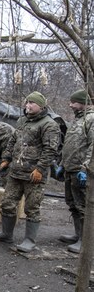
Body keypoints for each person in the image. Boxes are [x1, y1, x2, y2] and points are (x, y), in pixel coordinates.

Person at [0, 91, 60, 253]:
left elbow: (51, 149)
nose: (28, 106)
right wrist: (5, 158)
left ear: (41, 106)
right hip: (16, 171)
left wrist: (40, 169)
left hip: (34, 174)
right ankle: (6, 234)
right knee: (7, 203)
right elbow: (13, 140)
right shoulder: (22, 121)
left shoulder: (49, 125)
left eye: (32, 103)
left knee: (32, 207)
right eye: (27, 103)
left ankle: (29, 240)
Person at [56, 89, 94, 253]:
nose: (70, 105)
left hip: (82, 171)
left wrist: (86, 168)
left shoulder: (91, 119)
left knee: (84, 206)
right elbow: (71, 145)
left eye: (74, 102)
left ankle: (86, 242)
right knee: (73, 204)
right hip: (71, 169)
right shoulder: (78, 120)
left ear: (84, 103)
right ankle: (79, 235)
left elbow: (93, 146)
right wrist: (63, 164)